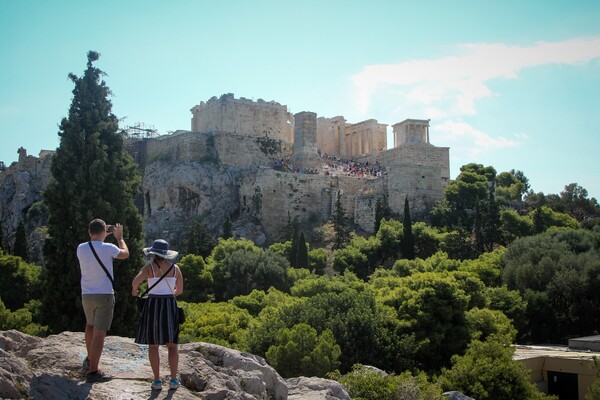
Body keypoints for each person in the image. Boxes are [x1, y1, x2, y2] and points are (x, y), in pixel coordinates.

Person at [76, 218, 129, 382]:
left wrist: (101, 234)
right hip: (104, 294)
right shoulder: (109, 248)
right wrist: (119, 237)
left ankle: (90, 360)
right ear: (104, 232)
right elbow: (125, 254)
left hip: (86, 295)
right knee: (100, 333)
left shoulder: (81, 248)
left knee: (89, 325)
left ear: (89, 232)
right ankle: (93, 372)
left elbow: (95, 244)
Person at [132, 239, 184, 391]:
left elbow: (135, 282)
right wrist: (168, 294)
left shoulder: (149, 268)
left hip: (153, 304)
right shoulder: (176, 269)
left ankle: (157, 380)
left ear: (153, 253)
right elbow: (179, 290)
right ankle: (174, 380)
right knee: (172, 345)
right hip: (169, 304)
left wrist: (135, 291)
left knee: (153, 345)